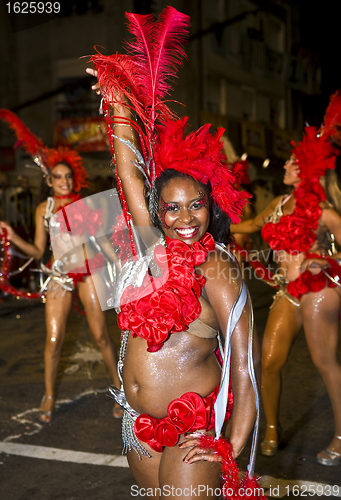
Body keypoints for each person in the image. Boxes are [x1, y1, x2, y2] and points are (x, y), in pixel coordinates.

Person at [87, 7, 263, 499]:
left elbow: (247, 371)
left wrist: (230, 444)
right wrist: (119, 103)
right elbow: (128, 176)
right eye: (172, 209)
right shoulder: (151, 252)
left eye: (196, 206)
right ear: (157, 213)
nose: (185, 220)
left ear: (211, 207)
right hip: (137, 426)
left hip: (193, 435)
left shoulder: (221, 271)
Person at [230, 90, 341, 466]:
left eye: (293, 162)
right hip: (285, 292)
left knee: (325, 362)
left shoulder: (324, 211)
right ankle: (271, 429)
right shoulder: (277, 204)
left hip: (319, 290)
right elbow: (249, 225)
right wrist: (207, 226)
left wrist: (324, 262)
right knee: (269, 361)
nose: (287, 165)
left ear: (307, 168)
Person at [0, 109, 122, 422]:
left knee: (100, 336)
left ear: (74, 178)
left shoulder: (87, 203)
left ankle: (120, 390)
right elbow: (38, 249)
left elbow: (102, 241)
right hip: (60, 275)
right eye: (58, 177)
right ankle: (49, 395)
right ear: (50, 180)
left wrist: (122, 267)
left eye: (68, 177)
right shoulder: (45, 208)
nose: (64, 182)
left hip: (90, 270)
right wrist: (12, 236)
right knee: (53, 340)